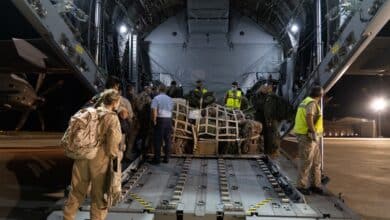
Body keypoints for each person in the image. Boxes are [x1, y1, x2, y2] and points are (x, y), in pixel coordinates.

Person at [63, 89, 122, 220]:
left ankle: (68, 216)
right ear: (115, 102)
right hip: (100, 158)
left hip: (83, 154)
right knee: (99, 194)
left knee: (77, 190)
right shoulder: (112, 117)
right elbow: (113, 142)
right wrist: (114, 157)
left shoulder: (91, 112)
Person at [293, 86, 324, 195]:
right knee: (306, 161)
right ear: (320, 95)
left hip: (309, 136)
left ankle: (315, 184)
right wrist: (313, 131)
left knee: (316, 162)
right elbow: (309, 117)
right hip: (307, 136)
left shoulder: (305, 101)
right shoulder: (312, 103)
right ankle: (301, 186)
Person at [151, 84, 173, 164]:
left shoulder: (156, 98)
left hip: (160, 120)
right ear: (166, 90)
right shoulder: (170, 99)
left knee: (158, 140)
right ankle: (166, 158)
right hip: (168, 120)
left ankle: (157, 159)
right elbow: (171, 110)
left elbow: (154, 110)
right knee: (167, 139)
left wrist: (154, 120)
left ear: (159, 89)